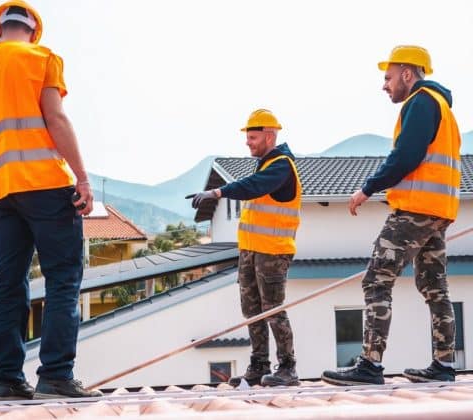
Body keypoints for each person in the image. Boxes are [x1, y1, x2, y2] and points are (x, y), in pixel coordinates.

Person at [0, 1, 100, 400]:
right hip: (46, 185)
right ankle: (55, 373)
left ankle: (5, 379)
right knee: (63, 279)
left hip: (0, 193)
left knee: (6, 285)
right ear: (33, 31)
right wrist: (83, 178)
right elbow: (56, 118)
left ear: (0, 28)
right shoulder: (43, 58)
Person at [322, 45, 461, 386]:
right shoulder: (441, 106)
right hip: (438, 211)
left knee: (377, 279)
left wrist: (368, 188)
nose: (385, 86)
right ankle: (443, 365)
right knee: (434, 286)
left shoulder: (421, 102)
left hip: (415, 209)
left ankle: (370, 364)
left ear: (407, 74)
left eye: (388, 77)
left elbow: (406, 155)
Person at [190, 109, 302, 387]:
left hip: (273, 252)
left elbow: (253, 187)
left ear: (269, 135)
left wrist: (217, 192)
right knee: (252, 310)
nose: (248, 142)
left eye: (252, 137)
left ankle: (287, 368)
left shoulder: (281, 166)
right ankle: (259, 365)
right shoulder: (265, 165)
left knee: (272, 309)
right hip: (251, 251)